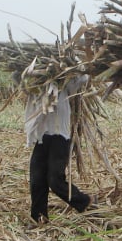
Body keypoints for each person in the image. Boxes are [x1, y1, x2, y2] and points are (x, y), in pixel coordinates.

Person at [24, 74, 95, 224]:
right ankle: (39, 218)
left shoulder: (65, 85)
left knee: (55, 180)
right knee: (37, 180)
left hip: (60, 137)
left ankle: (84, 201)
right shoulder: (36, 86)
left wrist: (70, 68)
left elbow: (83, 77)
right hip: (42, 137)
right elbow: (20, 80)